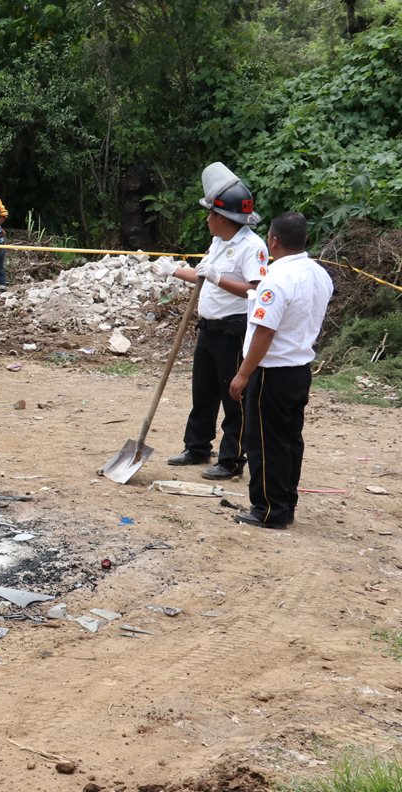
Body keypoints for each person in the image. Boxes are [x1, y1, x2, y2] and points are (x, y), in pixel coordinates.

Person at [152, 162, 269, 480]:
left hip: (234, 329)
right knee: (202, 391)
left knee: (233, 396)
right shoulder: (219, 242)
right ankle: (198, 446)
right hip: (208, 326)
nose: (206, 219)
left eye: (210, 214)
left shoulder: (252, 248)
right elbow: (204, 275)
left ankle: (232, 459)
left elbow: (255, 291)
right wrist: (174, 271)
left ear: (223, 218)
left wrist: (218, 279)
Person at [229, 212, 333, 528]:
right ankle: (285, 504)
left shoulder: (276, 278)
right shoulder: (319, 274)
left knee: (263, 442)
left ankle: (267, 509)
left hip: (272, 372)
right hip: (300, 368)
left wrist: (244, 373)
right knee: (289, 440)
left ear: (273, 241)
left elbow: (265, 331)